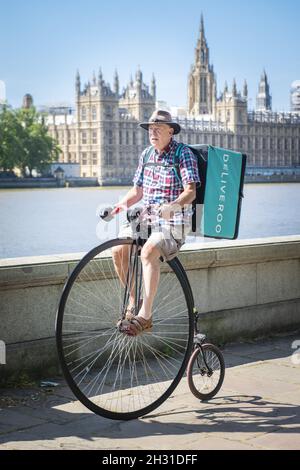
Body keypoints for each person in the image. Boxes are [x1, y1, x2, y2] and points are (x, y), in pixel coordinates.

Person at [111, 109, 200, 336]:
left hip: (174, 220)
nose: (153, 132)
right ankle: (134, 301)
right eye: (151, 128)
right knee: (117, 249)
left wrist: (172, 206)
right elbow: (137, 191)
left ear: (171, 131)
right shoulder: (146, 155)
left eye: (158, 128)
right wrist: (119, 206)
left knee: (149, 250)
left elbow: (190, 192)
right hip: (146, 217)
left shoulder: (183, 154)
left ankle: (146, 315)